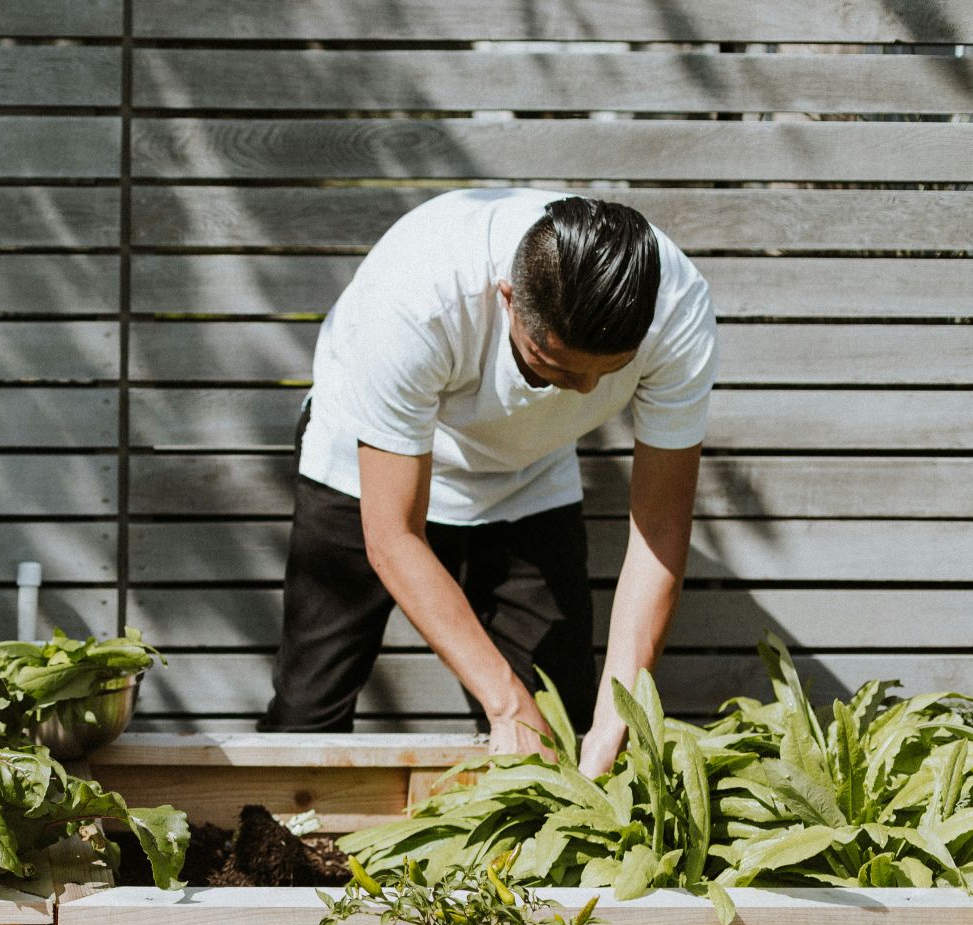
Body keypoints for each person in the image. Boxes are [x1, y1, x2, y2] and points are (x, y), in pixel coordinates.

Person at [259, 189, 717, 776]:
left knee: (559, 721)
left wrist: (615, 718)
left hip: (528, 473)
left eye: (608, 374)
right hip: (364, 466)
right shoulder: (417, 296)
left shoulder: (677, 309)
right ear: (508, 299)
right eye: (552, 366)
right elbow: (393, 536)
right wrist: (504, 703)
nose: (582, 393)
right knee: (308, 714)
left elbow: (658, 531)